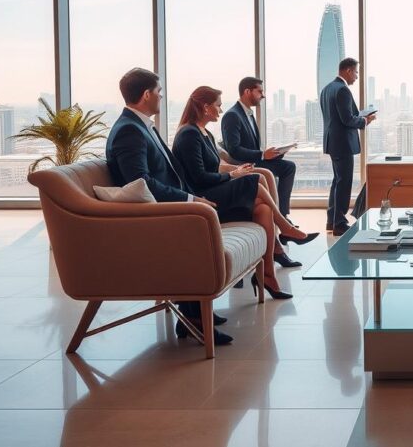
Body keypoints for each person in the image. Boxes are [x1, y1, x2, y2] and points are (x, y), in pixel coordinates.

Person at [105, 68, 231, 346]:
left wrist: (192, 196)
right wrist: (189, 200)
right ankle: (195, 316)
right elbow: (141, 182)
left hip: (168, 210)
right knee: (203, 221)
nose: (161, 98)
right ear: (147, 95)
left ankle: (195, 311)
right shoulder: (129, 130)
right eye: (159, 93)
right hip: (157, 218)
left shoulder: (139, 125)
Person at [172, 86, 320, 301]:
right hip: (203, 198)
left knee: (263, 209)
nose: (220, 111)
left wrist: (235, 171)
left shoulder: (203, 133)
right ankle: (286, 228)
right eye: (218, 106)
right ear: (205, 107)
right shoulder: (189, 134)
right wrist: (233, 176)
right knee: (256, 182)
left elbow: (216, 166)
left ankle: (268, 274)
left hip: (213, 190)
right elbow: (199, 178)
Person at [221, 76, 302, 268]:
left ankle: (282, 216)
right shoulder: (232, 115)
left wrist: (271, 154)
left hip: (256, 160)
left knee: (288, 167)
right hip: (244, 165)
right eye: (259, 91)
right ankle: (282, 222)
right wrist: (262, 155)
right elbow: (234, 149)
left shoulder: (247, 114)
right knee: (284, 169)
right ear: (247, 92)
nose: (263, 95)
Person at [321, 57, 376, 236]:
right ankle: (339, 223)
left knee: (337, 181)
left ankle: (331, 219)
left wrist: (359, 116)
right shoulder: (343, 90)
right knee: (344, 182)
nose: (357, 77)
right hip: (343, 143)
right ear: (348, 71)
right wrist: (364, 121)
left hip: (332, 141)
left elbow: (337, 117)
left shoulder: (327, 89)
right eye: (356, 72)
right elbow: (347, 119)